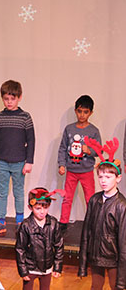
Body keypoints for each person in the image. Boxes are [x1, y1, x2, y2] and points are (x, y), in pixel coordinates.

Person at [0, 80, 35, 236]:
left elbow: (31, 140)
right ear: (2, 98)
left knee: (18, 192)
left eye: (12, 99)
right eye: (6, 99)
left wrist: (29, 161)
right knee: (1, 192)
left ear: (19, 97)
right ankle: (0, 221)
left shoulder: (25, 117)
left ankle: (20, 221)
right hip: (1, 162)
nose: (9, 102)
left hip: (19, 163)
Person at [78, 138, 126, 289]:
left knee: (115, 287)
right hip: (96, 256)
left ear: (118, 178)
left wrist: (122, 279)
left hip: (114, 259)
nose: (103, 181)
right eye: (100, 176)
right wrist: (83, 264)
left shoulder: (121, 205)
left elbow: (124, 243)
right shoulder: (94, 200)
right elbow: (86, 233)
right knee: (95, 287)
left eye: (108, 176)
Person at [57, 95, 100, 232]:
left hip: (86, 170)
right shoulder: (69, 129)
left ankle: (92, 224)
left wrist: (89, 150)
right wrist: (62, 164)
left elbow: (99, 150)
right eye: (80, 111)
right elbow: (63, 147)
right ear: (76, 111)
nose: (82, 115)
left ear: (90, 113)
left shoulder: (94, 131)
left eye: (85, 112)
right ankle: (63, 222)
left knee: (90, 199)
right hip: (71, 170)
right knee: (67, 197)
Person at [15, 188, 64, 290]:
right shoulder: (26, 225)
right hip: (30, 268)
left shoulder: (54, 223)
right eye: (38, 208)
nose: (42, 212)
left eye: (45, 208)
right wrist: (23, 271)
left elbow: (59, 246)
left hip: (47, 268)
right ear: (30, 207)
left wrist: (57, 267)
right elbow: (20, 249)